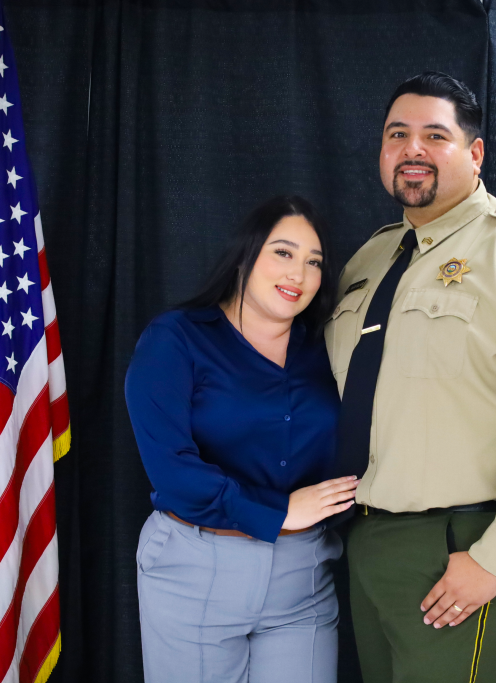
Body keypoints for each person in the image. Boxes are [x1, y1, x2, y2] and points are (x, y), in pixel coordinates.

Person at [326, 72, 496, 682]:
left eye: (435, 135)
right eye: (397, 135)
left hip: (457, 544)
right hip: (367, 538)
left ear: (475, 154)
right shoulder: (371, 258)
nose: (412, 150)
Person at [125, 196, 359, 683]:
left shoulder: (327, 350)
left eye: (314, 262)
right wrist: (279, 511)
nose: (299, 274)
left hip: (303, 575)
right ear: (244, 256)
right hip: (196, 568)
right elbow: (172, 468)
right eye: (283, 253)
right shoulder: (176, 339)